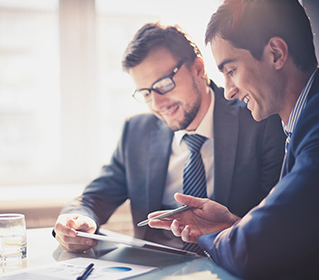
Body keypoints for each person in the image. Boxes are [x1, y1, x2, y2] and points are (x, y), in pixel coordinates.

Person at [53, 22, 285, 255]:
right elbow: (94, 197)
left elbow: (275, 223)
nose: (157, 103)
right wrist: (76, 220)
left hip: (227, 265)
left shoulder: (258, 120)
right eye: (145, 93)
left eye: (164, 84)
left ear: (198, 68)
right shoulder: (136, 132)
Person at [148, 0, 319, 278]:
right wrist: (232, 225)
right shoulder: (301, 123)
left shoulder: (315, 127)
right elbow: (293, 236)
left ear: (276, 53)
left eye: (231, 71)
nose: (228, 92)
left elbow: (251, 250)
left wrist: (213, 237)